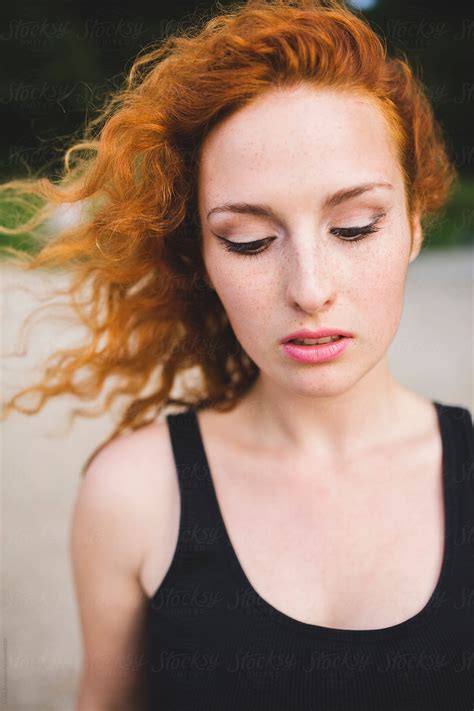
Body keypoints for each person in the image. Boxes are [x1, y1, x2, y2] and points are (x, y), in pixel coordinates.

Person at [1, 0, 472, 709]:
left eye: (353, 226)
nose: (310, 289)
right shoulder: (133, 494)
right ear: (203, 257)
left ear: (411, 224)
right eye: (249, 239)